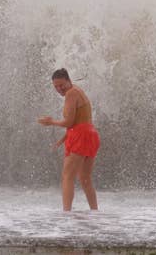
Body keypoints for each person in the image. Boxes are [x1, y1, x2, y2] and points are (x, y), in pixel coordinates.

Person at [37, 68, 99, 211]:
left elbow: (69, 122)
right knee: (85, 178)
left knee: (67, 176)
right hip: (90, 134)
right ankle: (95, 212)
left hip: (81, 136)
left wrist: (51, 122)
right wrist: (62, 140)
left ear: (69, 81)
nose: (59, 89)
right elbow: (79, 122)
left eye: (61, 85)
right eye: (56, 86)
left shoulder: (71, 93)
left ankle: (66, 213)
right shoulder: (77, 90)